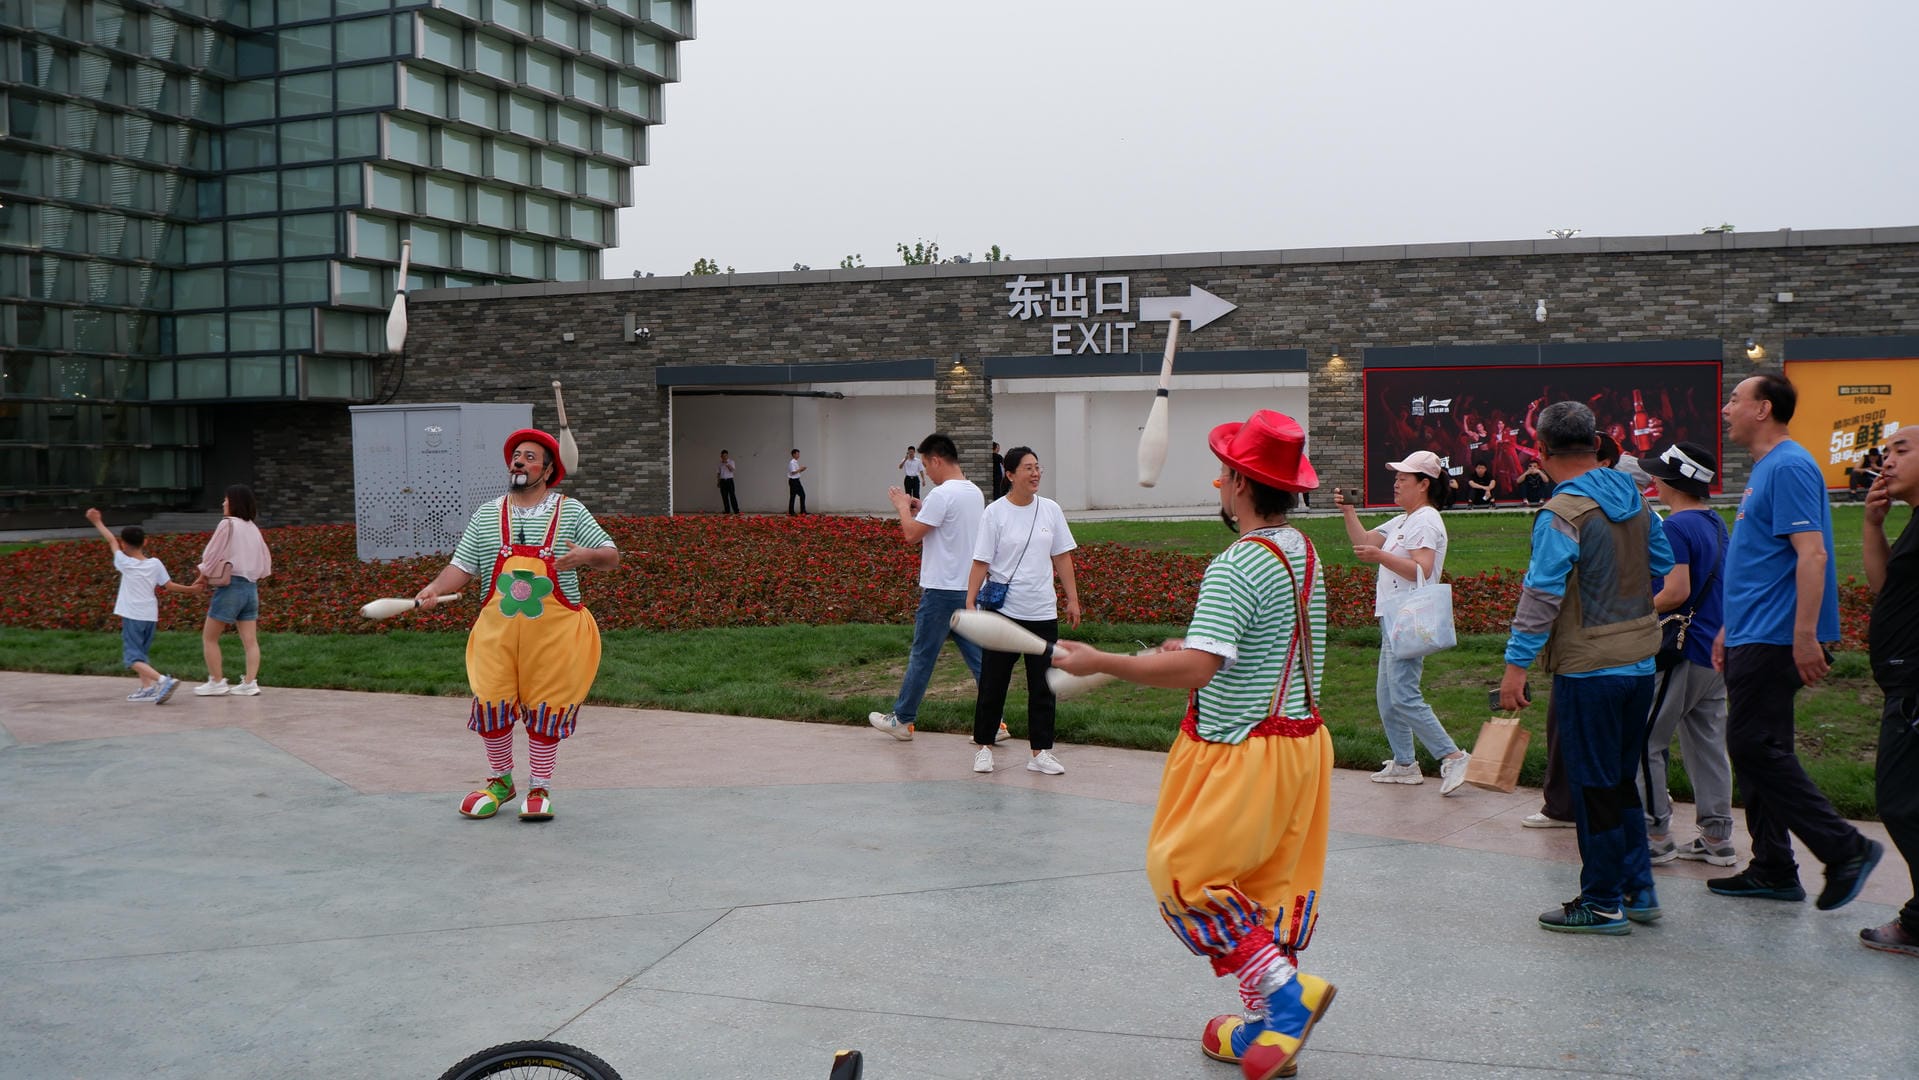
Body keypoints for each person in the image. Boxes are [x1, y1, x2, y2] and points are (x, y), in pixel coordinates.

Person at [1051, 409, 1335, 1080]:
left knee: (1183, 876)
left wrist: (1103, 661)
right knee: (1262, 891)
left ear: (1238, 481)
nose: (1216, 483)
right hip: (1299, 748)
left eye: (1222, 473)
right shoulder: (1301, 550)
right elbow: (1257, 647)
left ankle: (1287, 1000)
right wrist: (1200, 651)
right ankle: (1266, 1031)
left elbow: (1195, 670)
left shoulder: (1236, 564)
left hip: (1238, 752)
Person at [1709, 374, 1883, 908]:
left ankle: (1845, 848)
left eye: (1735, 400)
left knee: (1752, 745)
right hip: (1750, 632)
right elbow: (1761, 562)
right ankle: (1774, 867)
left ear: (1763, 409)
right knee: (1763, 747)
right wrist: (1726, 628)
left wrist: (1805, 636)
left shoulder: (1788, 465)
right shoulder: (1767, 469)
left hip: (1775, 636)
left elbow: (1813, 555)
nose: (1725, 408)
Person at [1499, 400, 1672, 934]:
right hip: (1640, 661)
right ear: (1596, 446)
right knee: (1619, 782)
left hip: (1588, 670)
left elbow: (1542, 595)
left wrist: (1514, 667)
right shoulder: (1640, 504)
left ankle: (1600, 902)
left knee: (1593, 787)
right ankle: (1637, 890)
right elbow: (1662, 565)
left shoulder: (1561, 513)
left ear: (1542, 450)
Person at [411, 429, 619, 821]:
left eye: (529, 456)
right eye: (516, 455)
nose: (519, 462)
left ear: (548, 468)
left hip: (555, 634)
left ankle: (539, 787)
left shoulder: (570, 512)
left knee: (547, 706)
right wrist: (436, 588)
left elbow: (611, 556)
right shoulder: (487, 514)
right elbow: (463, 565)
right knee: (491, 698)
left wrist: (586, 556)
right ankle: (500, 782)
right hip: (497, 632)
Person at [1334, 449, 1471, 795]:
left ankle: (1452, 756)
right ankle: (1405, 763)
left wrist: (1380, 556)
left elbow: (1421, 570)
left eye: (1403, 478)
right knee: (1387, 695)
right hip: (1395, 617)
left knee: (1403, 694)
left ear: (1424, 484)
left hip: (1410, 618)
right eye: (1396, 477)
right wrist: (1349, 511)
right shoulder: (1404, 519)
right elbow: (1364, 541)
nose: (1396, 484)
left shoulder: (1425, 520)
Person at [869, 433, 1008, 744]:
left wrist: (903, 506)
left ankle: (902, 719)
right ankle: (995, 723)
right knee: (979, 661)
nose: (926, 473)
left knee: (922, 655)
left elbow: (911, 534)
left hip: (940, 591)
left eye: (926, 465)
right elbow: (946, 525)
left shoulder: (942, 495)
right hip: (968, 589)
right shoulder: (973, 492)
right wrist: (922, 506)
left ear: (936, 460)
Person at [1635, 442, 1736, 867]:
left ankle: (1655, 835)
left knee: (1645, 741)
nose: (1652, 480)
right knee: (1708, 743)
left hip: (1681, 650)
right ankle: (1717, 838)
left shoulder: (1675, 527)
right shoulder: (1715, 522)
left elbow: (1675, 591)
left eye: (1658, 473)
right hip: (1714, 650)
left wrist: (1631, 608)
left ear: (1675, 481)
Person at [965, 446, 1079, 775]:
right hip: (1004, 614)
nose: (1035, 473)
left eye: (1038, 467)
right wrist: (971, 601)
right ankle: (984, 745)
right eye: (1028, 468)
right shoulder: (995, 513)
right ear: (1010, 474)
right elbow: (981, 560)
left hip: (1042, 612)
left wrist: (1072, 598)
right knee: (993, 683)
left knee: (1043, 685)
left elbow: (1061, 556)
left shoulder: (1051, 510)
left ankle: (1040, 751)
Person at [1860, 425, 1919, 957]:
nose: (1888, 460)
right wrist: (1873, 525)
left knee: (1903, 804)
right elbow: (1885, 592)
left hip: (1916, 691)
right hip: (1904, 686)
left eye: (1903, 450)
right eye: (1887, 451)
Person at [85, 507, 197, 704]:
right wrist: (192, 589)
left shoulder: (124, 562)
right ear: (146, 541)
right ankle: (147, 689)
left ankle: (164, 681)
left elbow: (111, 541)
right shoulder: (155, 563)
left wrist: (97, 521)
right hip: (150, 616)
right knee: (141, 653)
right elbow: (169, 586)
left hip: (132, 615)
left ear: (123, 544)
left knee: (132, 658)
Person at [192, 484, 273, 697]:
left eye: (226, 499)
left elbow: (211, 554)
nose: (223, 503)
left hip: (231, 587)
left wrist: (202, 576)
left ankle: (217, 681)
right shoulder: (252, 527)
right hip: (251, 588)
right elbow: (265, 560)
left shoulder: (227, 524)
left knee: (209, 637)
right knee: (250, 641)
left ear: (234, 502)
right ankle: (249, 682)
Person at [717, 450, 740, 514]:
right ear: (721, 456)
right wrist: (718, 482)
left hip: (729, 480)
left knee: (732, 495)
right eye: (723, 456)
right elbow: (718, 473)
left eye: (725, 456)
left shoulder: (731, 462)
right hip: (722, 481)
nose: (724, 457)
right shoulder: (719, 463)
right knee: (724, 496)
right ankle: (727, 511)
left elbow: (732, 470)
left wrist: (727, 464)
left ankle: (736, 510)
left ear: (727, 455)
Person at [787, 449, 808, 514]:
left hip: (797, 480)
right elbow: (793, 472)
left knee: (802, 495)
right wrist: (800, 469)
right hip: (793, 481)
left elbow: (796, 472)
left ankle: (803, 511)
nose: (798, 455)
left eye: (798, 454)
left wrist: (802, 470)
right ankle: (791, 511)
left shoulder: (796, 462)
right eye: (797, 454)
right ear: (793, 454)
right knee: (793, 496)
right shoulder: (792, 462)